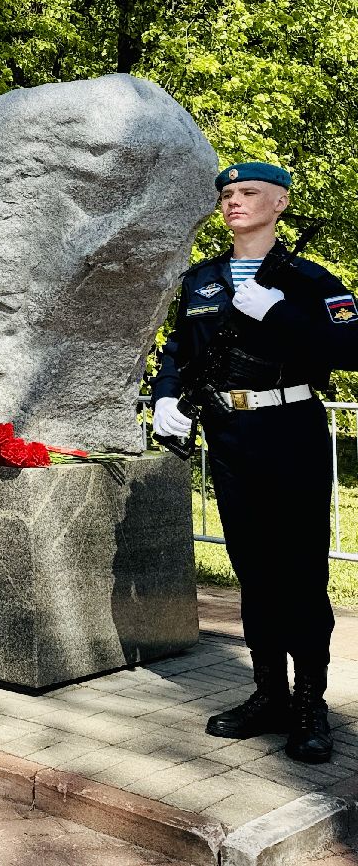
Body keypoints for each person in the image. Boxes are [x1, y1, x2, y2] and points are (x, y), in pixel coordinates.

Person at [153, 162, 358, 765]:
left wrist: (278, 312)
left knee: (298, 570)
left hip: (289, 429)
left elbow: (352, 348)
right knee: (254, 569)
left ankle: (309, 704)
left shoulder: (309, 280)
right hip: (230, 432)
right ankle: (268, 693)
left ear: (281, 203)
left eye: (248, 193)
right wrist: (166, 395)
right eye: (226, 194)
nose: (233, 202)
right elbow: (179, 352)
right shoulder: (202, 280)